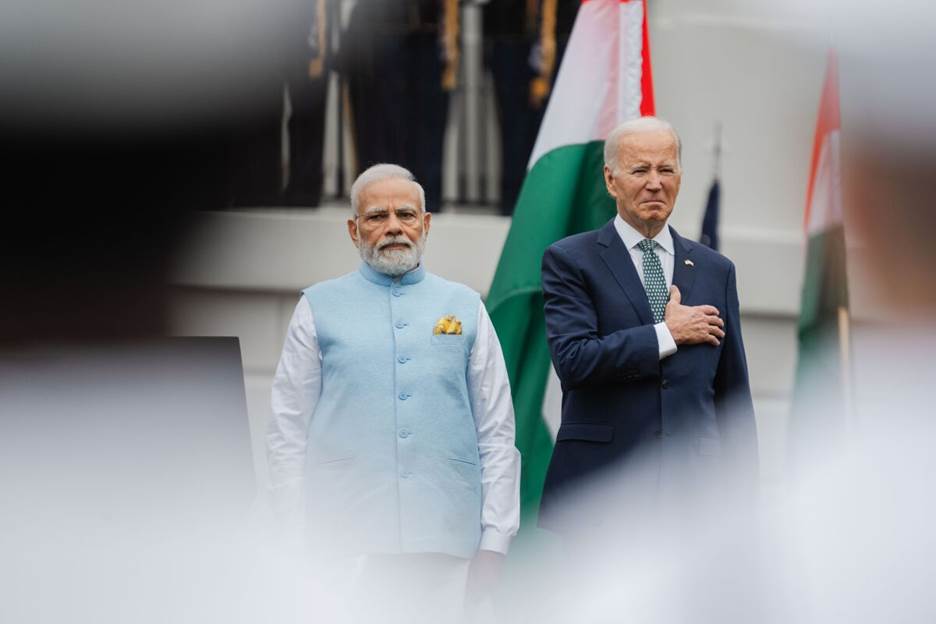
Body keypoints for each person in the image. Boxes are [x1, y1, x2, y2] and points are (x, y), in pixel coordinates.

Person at [267, 163, 520, 620]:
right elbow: (287, 432)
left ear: (425, 224)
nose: (393, 228)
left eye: (405, 215)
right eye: (376, 217)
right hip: (341, 545)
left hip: (447, 541)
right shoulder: (316, 307)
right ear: (353, 229)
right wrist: (292, 535)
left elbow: (497, 431)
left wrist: (496, 539)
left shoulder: (465, 306)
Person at [537, 117, 758, 538]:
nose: (655, 183)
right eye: (640, 170)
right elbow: (574, 360)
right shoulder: (571, 260)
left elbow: (733, 398)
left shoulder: (716, 269)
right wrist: (666, 335)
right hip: (601, 497)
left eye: (666, 169)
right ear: (611, 179)